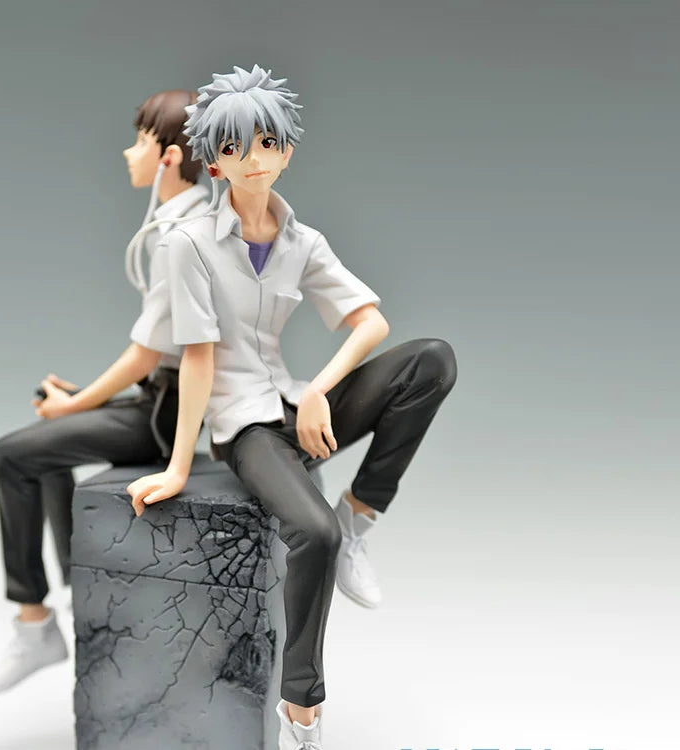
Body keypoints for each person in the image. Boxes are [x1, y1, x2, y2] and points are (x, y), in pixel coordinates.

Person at [126, 66, 457, 749]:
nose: (255, 158)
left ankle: (361, 513)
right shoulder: (189, 244)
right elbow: (197, 359)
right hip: (244, 427)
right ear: (213, 162)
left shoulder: (301, 241)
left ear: (287, 152)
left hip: (294, 402)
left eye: (269, 142)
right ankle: (301, 711)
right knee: (313, 533)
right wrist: (179, 467)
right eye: (236, 147)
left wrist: (317, 390)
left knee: (432, 359)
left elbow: (370, 322)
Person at [0, 89, 209, 694]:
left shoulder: (180, 235)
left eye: (141, 142)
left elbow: (146, 355)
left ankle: (35, 622)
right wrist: (81, 403)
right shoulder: (185, 222)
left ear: (169, 157)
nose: (128, 153)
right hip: (161, 398)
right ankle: (78, 590)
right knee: (42, 447)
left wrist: (76, 405)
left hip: (164, 413)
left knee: (11, 455)